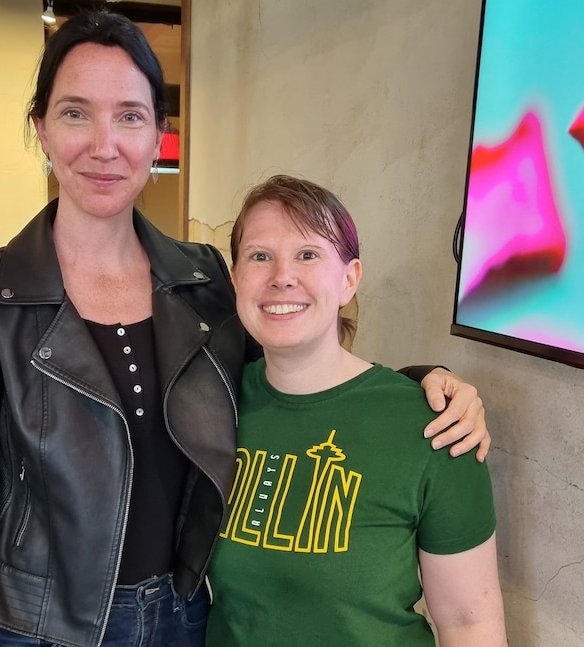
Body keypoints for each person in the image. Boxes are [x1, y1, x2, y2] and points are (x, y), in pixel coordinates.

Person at [0, 11, 491, 647]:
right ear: (43, 131)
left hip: (183, 614)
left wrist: (422, 383)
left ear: (158, 135)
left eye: (131, 116)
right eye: (76, 113)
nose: (104, 145)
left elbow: (290, 367)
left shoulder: (201, 278)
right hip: (40, 626)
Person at [205, 175, 506, 646]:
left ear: (349, 279)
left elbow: (471, 625)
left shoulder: (437, 427)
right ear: (236, 279)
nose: (282, 275)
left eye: (308, 254)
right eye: (260, 256)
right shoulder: (210, 404)